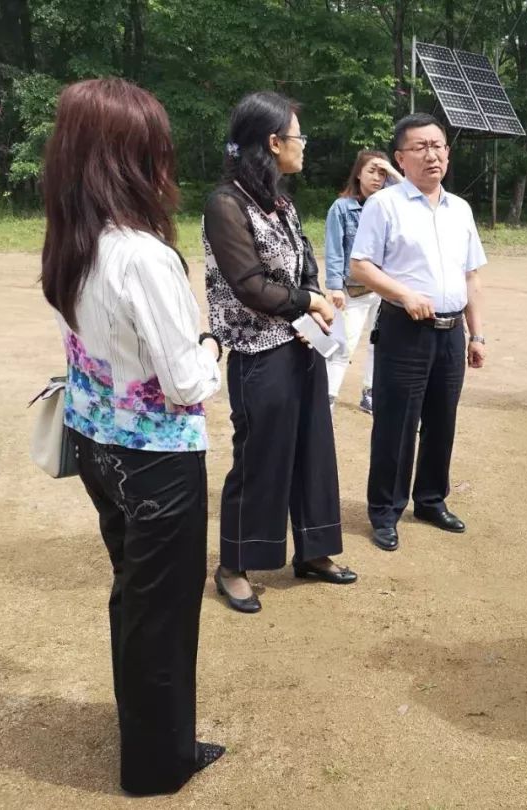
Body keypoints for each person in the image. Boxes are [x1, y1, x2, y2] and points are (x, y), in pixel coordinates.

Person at [41, 78, 224, 795]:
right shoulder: (143, 255)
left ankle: (151, 732)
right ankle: (158, 761)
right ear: (128, 158)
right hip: (157, 462)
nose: (166, 162)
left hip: (97, 444)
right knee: (164, 610)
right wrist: (212, 344)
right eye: (157, 148)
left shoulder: (72, 238)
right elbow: (186, 382)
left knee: (135, 595)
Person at [204, 91, 356, 614]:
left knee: (313, 449)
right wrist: (307, 299)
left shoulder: (279, 201)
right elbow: (248, 285)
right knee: (260, 458)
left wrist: (318, 293)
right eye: (298, 137)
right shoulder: (225, 204)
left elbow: (303, 258)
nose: (303, 146)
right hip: (257, 351)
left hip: (301, 343)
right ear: (273, 142)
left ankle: (314, 550)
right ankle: (234, 566)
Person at [349, 113, 487, 552]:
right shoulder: (384, 205)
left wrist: (476, 335)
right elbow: (361, 266)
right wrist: (404, 294)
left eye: (439, 145)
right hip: (404, 330)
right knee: (396, 423)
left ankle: (430, 499)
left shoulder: (460, 209)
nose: (433, 155)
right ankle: (385, 511)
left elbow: (472, 276)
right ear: (400, 158)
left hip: (450, 335)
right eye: (421, 147)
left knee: (442, 421)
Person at [324, 150, 402, 412]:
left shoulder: (388, 205)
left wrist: (392, 171)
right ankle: (328, 397)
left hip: (382, 289)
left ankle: (369, 392)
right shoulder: (342, 208)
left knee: (378, 344)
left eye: (382, 174)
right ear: (358, 174)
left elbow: (412, 195)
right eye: (372, 171)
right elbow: (334, 248)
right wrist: (334, 286)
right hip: (352, 291)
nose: (378, 178)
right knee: (342, 345)